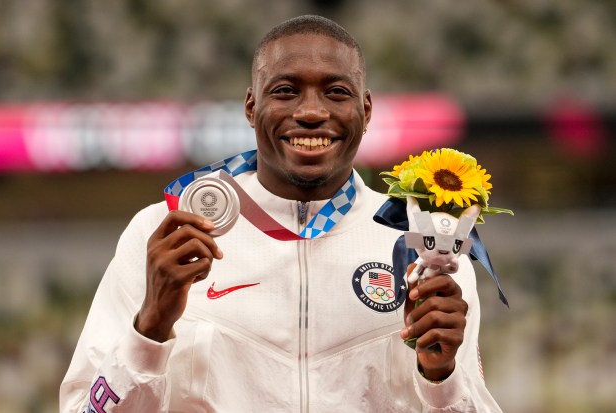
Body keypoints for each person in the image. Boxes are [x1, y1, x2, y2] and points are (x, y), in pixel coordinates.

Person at [60, 15, 502, 412]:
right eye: (286, 91)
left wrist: (440, 380)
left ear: (366, 111)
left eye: (336, 92)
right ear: (252, 107)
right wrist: (150, 329)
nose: (311, 112)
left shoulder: (425, 245)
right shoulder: (161, 233)